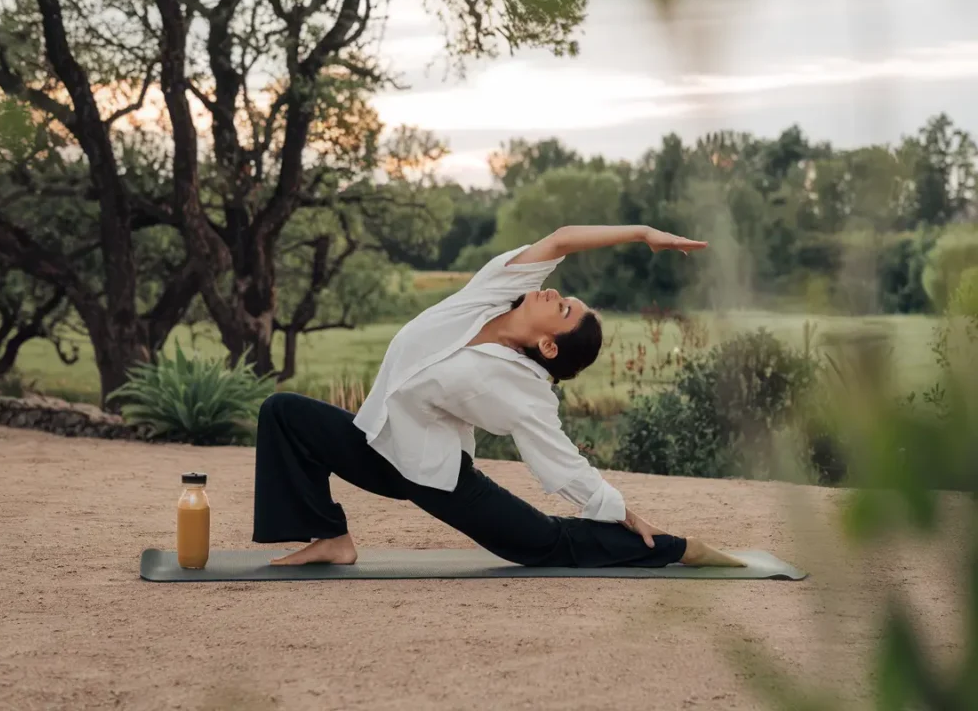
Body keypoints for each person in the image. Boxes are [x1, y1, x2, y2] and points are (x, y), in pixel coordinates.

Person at [252, 224, 745, 569]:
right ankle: (332, 539)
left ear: (549, 345)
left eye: (564, 308)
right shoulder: (492, 292)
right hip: (375, 440)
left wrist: (622, 511)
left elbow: (562, 462)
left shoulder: (526, 390)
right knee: (283, 413)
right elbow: (560, 239)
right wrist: (641, 234)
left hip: (431, 476)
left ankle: (676, 549)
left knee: (545, 544)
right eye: (562, 296)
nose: (555, 294)